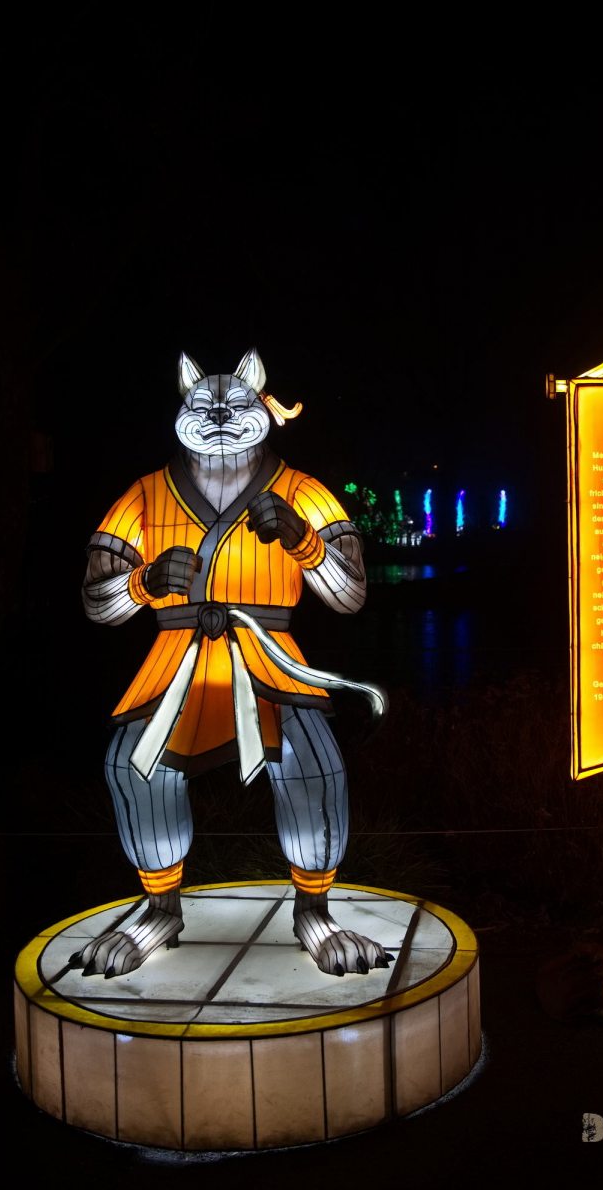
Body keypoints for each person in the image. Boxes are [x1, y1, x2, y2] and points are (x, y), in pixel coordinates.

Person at [71, 349, 391, 979]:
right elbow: (95, 602)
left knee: (316, 765)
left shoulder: (301, 491)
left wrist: (301, 539)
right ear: (181, 405)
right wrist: (143, 583)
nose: (219, 415)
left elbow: (350, 594)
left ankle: (315, 910)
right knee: (132, 765)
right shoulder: (146, 495)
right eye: (202, 403)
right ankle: (159, 907)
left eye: (236, 402)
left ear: (263, 403)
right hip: (177, 656)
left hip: (270, 653)